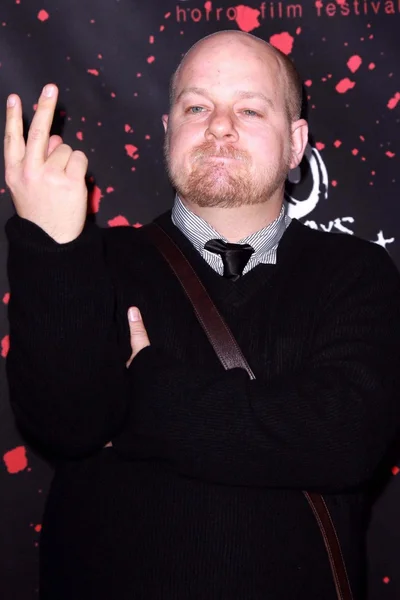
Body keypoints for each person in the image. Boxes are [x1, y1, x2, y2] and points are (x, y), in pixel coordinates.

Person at [4, 29, 400, 600]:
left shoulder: (358, 273)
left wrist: (148, 388)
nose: (219, 125)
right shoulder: (91, 264)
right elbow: (64, 426)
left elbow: (343, 439)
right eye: (197, 107)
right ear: (168, 132)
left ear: (296, 144)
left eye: (249, 109)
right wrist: (51, 246)